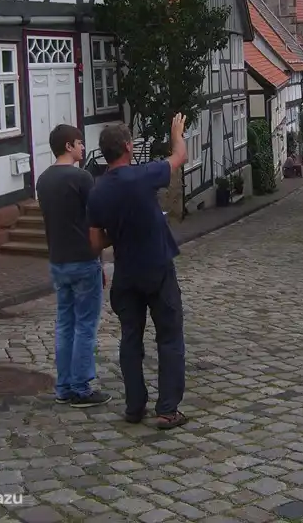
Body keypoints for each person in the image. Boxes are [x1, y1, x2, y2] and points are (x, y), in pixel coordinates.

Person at [87, 114, 188, 430]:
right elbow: (179, 157)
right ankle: (167, 410)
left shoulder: (98, 190)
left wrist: (117, 233)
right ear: (128, 147)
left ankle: (134, 406)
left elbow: (94, 243)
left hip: (126, 273)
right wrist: (176, 132)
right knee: (169, 337)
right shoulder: (143, 176)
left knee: (130, 339)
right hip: (157, 267)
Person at [36, 124, 111, 408]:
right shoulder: (82, 178)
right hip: (83, 259)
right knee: (85, 326)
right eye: (79, 143)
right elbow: (96, 218)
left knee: (65, 324)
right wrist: (100, 260)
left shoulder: (43, 180)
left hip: (58, 260)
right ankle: (81, 387)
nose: (82, 147)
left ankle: (64, 386)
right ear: (68, 146)